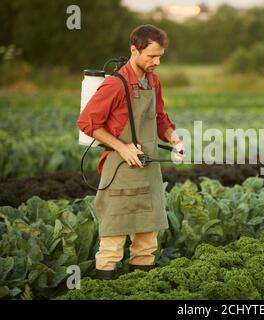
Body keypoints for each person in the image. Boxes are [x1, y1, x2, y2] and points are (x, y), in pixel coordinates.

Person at [77, 24, 185, 280]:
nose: (157, 62)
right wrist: (122, 146)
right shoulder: (115, 85)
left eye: (160, 56)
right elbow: (88, 123)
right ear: (134, 50)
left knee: (147, 245)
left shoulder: (153, 81)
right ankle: (106, 292)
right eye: (151, 56)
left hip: (148, 172)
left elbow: (160, 119)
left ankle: (140, 291)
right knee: (112, 244)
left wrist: (175, 140)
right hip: (120, 173)